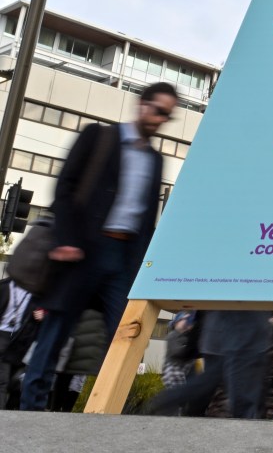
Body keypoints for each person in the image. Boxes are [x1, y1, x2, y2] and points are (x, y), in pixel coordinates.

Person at [20, 82, 177, 411]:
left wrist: (144, 268)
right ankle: (31, 411)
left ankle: (107, 411)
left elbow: (147, 220)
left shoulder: (155, 160)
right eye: (159, 110)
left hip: (123, 257)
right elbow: (65, 188)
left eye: (168, 115)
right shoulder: (98, 137)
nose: (161, 119)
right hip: (82, 252)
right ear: (142, 105)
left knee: (125, 333)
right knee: (55, 332)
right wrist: (65, 239)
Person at [147, 310, 272, 418]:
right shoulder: (173, 335)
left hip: (218, 335)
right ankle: (168, 399)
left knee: (210, 379)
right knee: (238, 385)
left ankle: (168, 399)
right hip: (238, 334)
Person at [0, 277, 43, 409]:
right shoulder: (4, 287)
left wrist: (42, 317)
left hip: (20, 340)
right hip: (2, 334)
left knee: (14, 382)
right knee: (2, 381)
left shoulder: (36, 294)